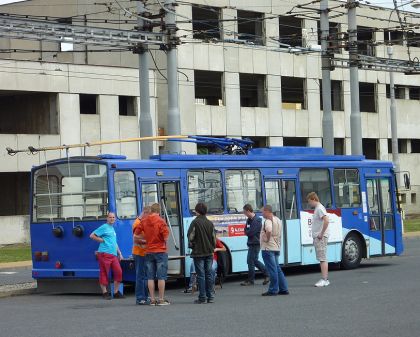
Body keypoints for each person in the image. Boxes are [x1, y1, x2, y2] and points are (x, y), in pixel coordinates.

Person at [136, 203, 170, 306]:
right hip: (160, 251)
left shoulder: (144, 221)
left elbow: (136, 235)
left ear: (151, 211)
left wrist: (146, 240)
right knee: (161, 277)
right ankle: (161, 299)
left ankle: (152, 300)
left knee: (150, 277)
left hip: (148, 251)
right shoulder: (161, 221)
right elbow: (165, 238)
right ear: (159, 211)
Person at [89, 212, 124, 300]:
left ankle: (116, 292)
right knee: (104, 272)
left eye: (113, 217)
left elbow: (114, 242)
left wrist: (120, 253)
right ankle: (105, 292)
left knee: (118, 272)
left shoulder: (112, 228)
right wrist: (101, 240)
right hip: (104, 253)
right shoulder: (104, 227)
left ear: (115, 219)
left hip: (113, 255)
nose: (112, 219)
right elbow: (92, 235)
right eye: (110, 217)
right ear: (107, 219)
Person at [187, 203, 216, 304]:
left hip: (198, 252)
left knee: (201, 275)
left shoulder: (195, 222)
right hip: (209, 252)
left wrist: (192, 245)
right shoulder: (210, 223)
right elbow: (214, 239)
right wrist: (212, 248)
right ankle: (210, 297)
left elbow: (190, 236)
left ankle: (202, 297)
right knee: (209, 274)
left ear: (197, 211)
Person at [260, 205, 289, 296]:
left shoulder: (268, 221)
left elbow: (268, 230)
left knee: (272, 270)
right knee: (277, 269)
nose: (262, 214)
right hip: (276, 247)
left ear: (267, 211)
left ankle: (273, 290)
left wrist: (267, 239)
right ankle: (284, 288)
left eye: (262, 212)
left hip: (268, 248)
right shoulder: (277, 219)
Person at [241, 204, 269, 286]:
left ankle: (253, 279)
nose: (244, 214)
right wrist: (247, 231)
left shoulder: (257, 220)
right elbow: (246, 230)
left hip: (256, 243)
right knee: (252, 261)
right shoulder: (249, 220)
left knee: (252, 261)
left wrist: (247, 232)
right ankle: (264, 275)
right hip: (251, 242)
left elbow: (250, 232)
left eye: (245, 212)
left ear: (248, 211)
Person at [307, 192, 330, 287]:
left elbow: (326, 220)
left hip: (320, 237)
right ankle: (325, 279)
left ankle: (324, 279)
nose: (309, 204)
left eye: (309, 201)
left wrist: (321, 233)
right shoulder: (318, 208)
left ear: (313, 199)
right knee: (321, 257)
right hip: (319, 236)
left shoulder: (319, 208)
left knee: (322, 258)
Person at [132, 206, 151, 305]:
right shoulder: (137, 223)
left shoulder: (141, 222)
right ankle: (140, 298)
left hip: (143, 252)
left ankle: (145, 297)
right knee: (140, 276)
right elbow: (135, 239)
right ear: (145, 213)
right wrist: (148, 241)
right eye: (149, 215)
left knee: (144, 276)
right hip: (139, 252)